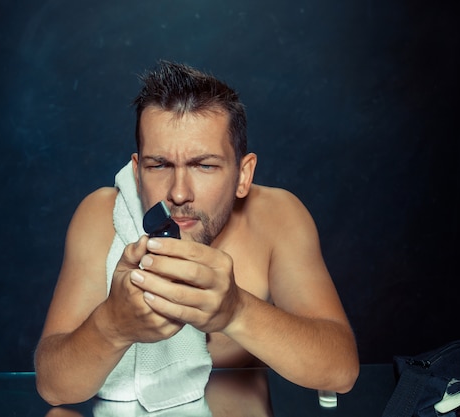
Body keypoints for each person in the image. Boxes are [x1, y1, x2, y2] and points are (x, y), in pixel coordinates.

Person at [34, 60, 359, 408]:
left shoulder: (276, 216)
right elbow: (54, 387)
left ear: (243, 175)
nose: (178, 193)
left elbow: (339, 371)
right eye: (158, 165)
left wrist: (236, 310)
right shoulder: (100, 217)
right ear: (137, 171)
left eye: (204, 165)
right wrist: (111, 326)